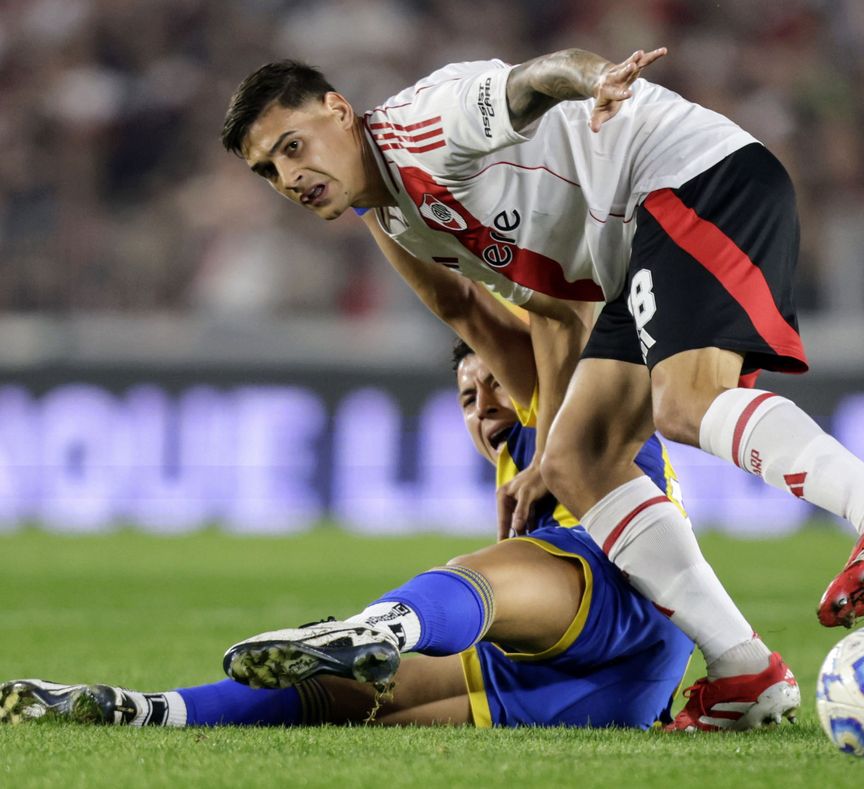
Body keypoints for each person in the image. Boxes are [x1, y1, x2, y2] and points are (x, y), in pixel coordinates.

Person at [221, 46, 864, 731]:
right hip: (634, 248)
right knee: (576, 459)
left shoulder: (422, 125)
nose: (288, 177)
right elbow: (555, 310)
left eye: (293, 146)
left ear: (339, 110)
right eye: (268, 170)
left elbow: (535, 79)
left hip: (690, 178)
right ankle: (744, 670)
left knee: (684, 402)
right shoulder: (399, 215)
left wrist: (595, 80)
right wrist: (545, 442)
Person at [0, 273, 716, 730]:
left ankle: (381, 625)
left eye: (495, 380)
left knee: (480, 575)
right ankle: (143, 711)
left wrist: (380, 200)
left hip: (626, 594)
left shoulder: (559, 397)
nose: (485, 404)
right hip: (605, 689)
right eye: (467, 397)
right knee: (356, 702)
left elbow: (492, 305)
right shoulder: (514, 461)